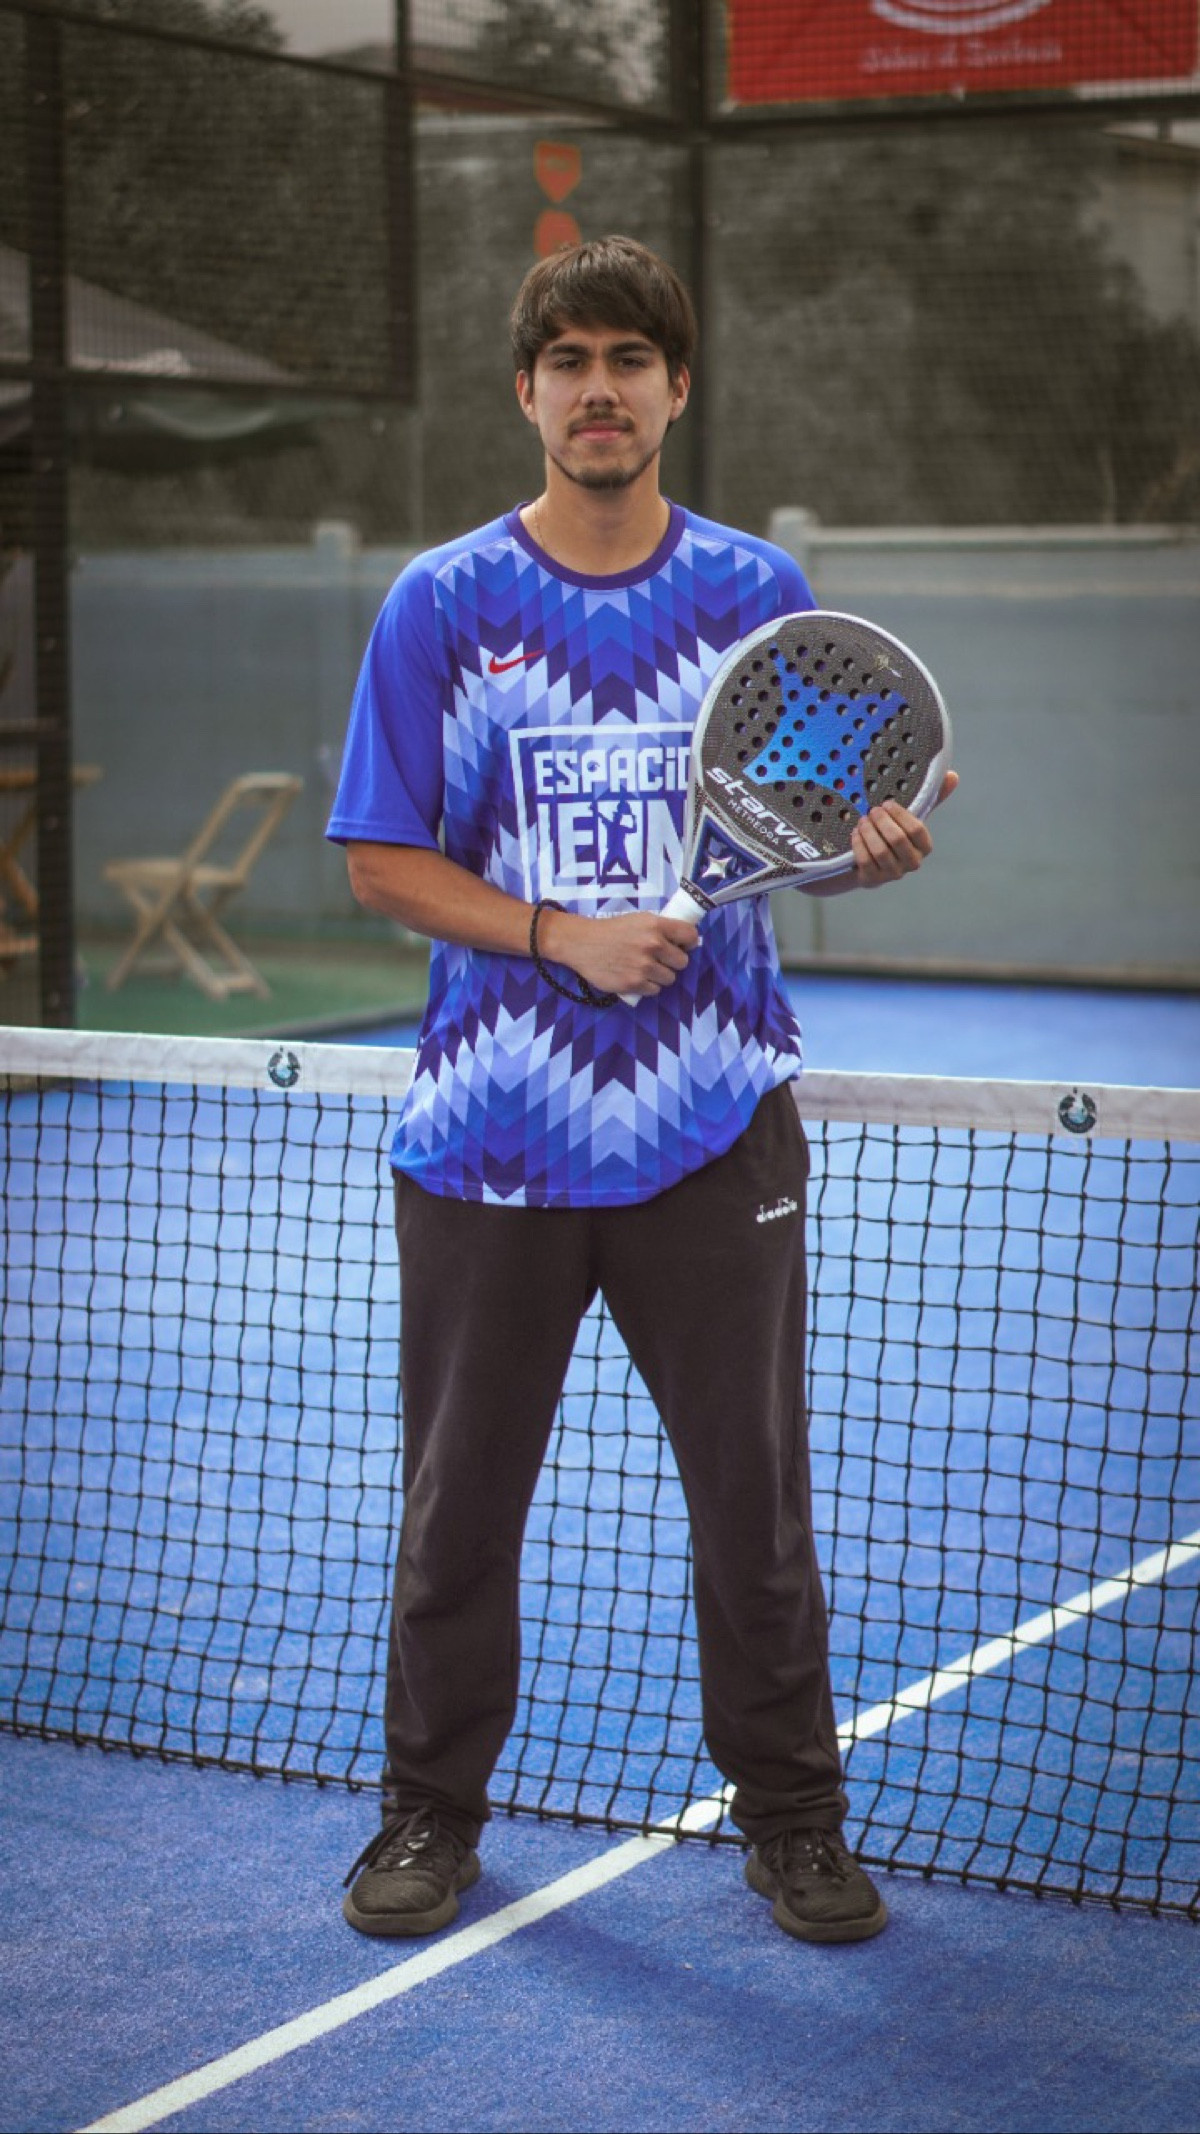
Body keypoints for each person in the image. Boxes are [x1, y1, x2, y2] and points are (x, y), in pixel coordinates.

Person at [327, 235, 957, 1948]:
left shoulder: (759, 589)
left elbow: (802, 836)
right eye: (569, 361)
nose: (598, 389)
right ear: (527, 392)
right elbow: (380, 859)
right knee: (460, 1513)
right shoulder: (442, 603)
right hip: (489, 1141)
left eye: (629, 360)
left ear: (678, 387)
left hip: (712, 1131)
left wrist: (865, 856)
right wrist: (561, 934)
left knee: (757, 1513)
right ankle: (429, 1813)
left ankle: (796, 1823)